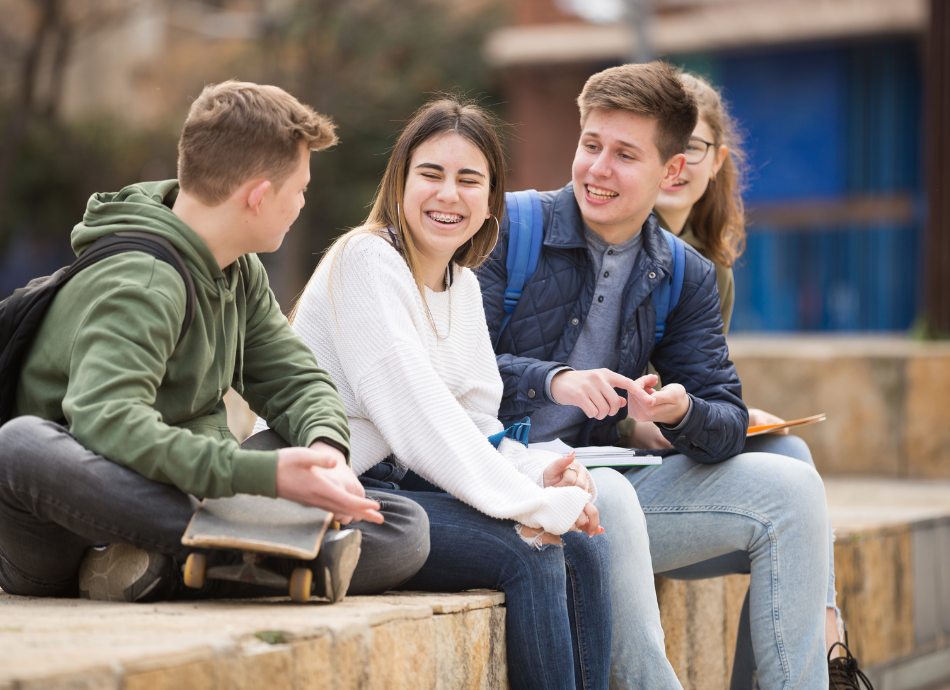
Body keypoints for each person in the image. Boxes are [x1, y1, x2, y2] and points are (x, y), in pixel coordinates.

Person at [0, 81, 429, 605]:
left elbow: (295, 380)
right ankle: (248, 552)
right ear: (258, 196)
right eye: (299, 188)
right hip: (70, 522)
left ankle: (170, 564)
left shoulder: (236, 268)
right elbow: (106, 425)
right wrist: (263, 475)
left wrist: (326, 450)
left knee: (407, 528)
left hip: (183, 491)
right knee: (17, 446)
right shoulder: (142, 284)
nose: (301, 203)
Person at [478, 62, 831, 689]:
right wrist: (556, 379)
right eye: (591, 145)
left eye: (624, 155)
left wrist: (679, 412)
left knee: (794, 488)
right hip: (492, 481)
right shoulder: (507, 227)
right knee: (605, 492)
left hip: (602, 491)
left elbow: (725, 414)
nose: (597, 169)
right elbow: (455, 374)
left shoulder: (684, 274)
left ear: (671, 171)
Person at [261, 97, 627, 690]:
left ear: (490, 204)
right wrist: (531, 506)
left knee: (585, 546)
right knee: (529, 552)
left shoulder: (459, 286)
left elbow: (475, 419)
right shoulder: (366, 260)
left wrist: (540, 474)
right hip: (341, 487)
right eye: (430, 174)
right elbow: (417, 418)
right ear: (400, 183)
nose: (447, 195)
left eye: (468, 180)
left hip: (410, 480)